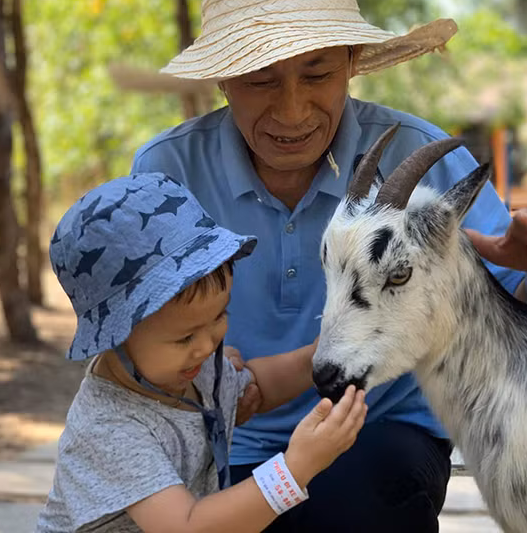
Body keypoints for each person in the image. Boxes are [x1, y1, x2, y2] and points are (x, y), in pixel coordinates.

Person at [131, 0, 527, 530]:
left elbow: (516, 327)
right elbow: (131, 341)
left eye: (317, 73)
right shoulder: (165, 176)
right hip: (218, 445)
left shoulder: (423, 159)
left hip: (377, 435)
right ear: (222, 79)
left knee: (361, 499)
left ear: (351, 62)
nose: (292, 111)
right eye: (261, 80)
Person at [36, 172, 367, 532]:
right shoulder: (109, 428)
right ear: (117, 335)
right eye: (185, 337)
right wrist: (295, 469)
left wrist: (316, 358)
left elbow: (255, 388)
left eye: (219, 316)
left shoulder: (187, 369)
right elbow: (187, 527)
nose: (208, 346)